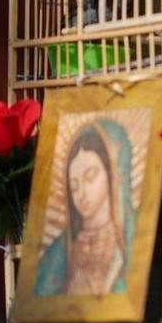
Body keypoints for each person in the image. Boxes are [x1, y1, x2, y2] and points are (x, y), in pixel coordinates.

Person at [36, 120, 136, 296]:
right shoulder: (58, 253)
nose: (81, 194)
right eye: (74, 186)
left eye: (90, 177)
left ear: (112, 173)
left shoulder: (136, 235)